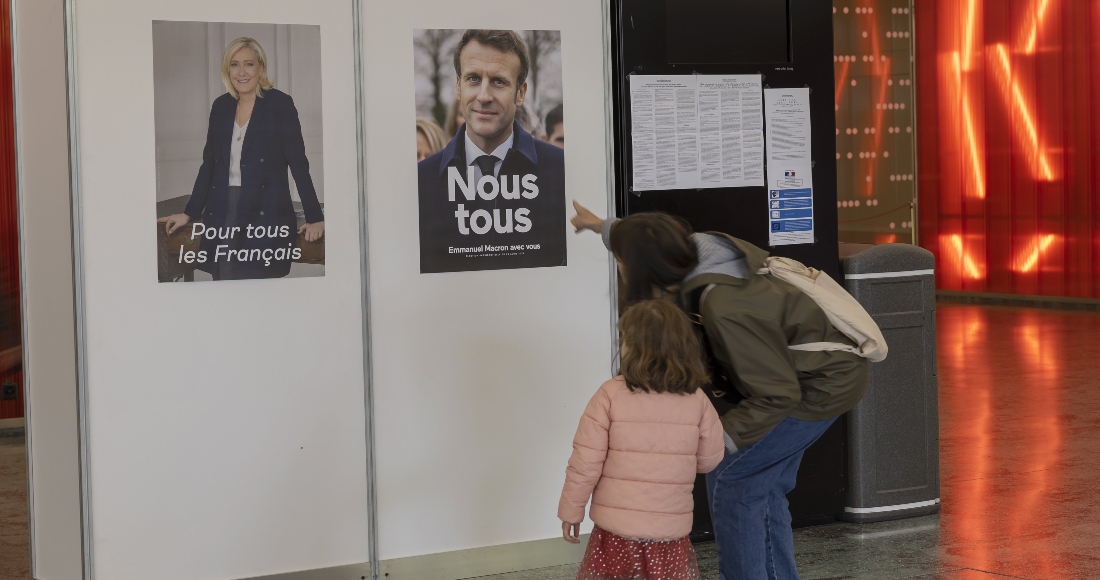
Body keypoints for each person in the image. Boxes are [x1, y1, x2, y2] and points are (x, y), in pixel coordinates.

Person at [571, 202, 869, 580]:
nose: (619, 267)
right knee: (761, 489)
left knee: (733, 481)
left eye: (622, 262)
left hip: (818, 387)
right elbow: (643, 236)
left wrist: (715, 439)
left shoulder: (725, 306)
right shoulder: (693, 250)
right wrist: (598, 225)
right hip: (810, 377)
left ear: (646, 270)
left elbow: (776, 394)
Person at [559, 299, 724, 580]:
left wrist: (571, 511)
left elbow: (585, 462)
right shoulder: (697, 399)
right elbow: (709, 461)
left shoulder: (609, 394)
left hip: (616, 532)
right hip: (669, 531)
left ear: (631, 347)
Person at [158, 37, 324, 280]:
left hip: (265, 208)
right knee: (225, 282)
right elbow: (210, 165)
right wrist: (189, 212)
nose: (241, 72)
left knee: (259, 288)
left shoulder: (280, 104)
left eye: (248, 64)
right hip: (224, 208)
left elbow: (299, 164)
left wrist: (315, 217)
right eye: (234, 65)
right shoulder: (221, 106)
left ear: (261, 68)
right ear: (228, 70)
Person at [417, 29, 566, 273]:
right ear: (458, 86)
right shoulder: (422, 181)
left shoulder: (560, 173)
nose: (484, 96)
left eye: (498, 81)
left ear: (520, 93)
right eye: (473, 79)